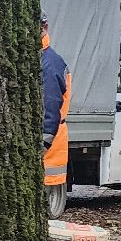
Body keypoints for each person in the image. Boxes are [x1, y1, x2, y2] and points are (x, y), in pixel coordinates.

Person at [41, 19, 71, 190]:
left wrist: (44, 145)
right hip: (52, 139)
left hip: (49, 144)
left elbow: (50, 106)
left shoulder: (49, 63)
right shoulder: (50, 59)